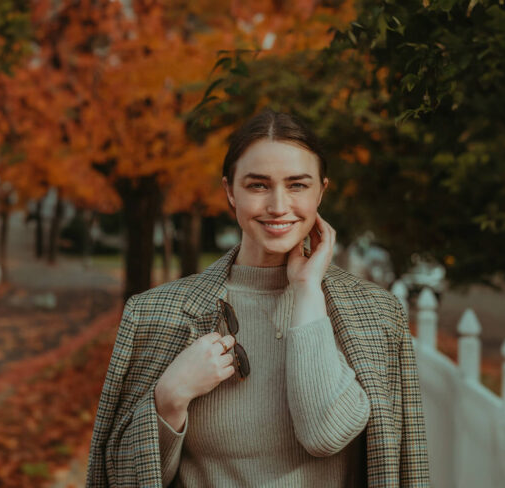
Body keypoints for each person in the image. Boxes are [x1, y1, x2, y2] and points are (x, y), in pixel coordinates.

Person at [86, 109, 430, 487]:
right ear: (230, 192)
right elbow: (119, 476)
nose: (278, 206)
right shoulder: (153, 315)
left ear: (322, 191)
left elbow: (325, 434)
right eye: (258, 185)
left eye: (297, 185)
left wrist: (306, 290)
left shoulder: (378, 315)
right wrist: (169, 399)